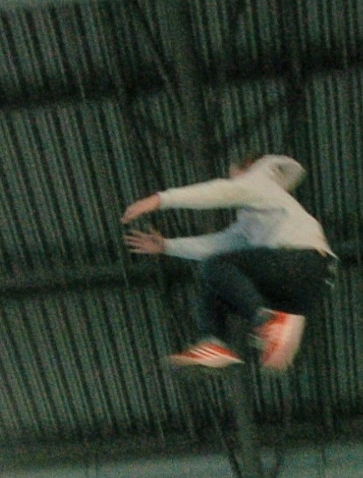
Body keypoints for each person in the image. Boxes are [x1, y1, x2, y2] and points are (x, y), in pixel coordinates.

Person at [120, 154, 336, 372]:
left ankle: (267, 321)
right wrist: (167, 246)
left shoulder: (260, 180)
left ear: (248, 167)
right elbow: (218, 245)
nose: (233, 182)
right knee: (215, 282)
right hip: (306, 285)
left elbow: (220, 192)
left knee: (215, 266)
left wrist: (159, 200)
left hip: (300, 262)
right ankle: (214, 342)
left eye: (234, 176)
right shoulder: (258, 217)